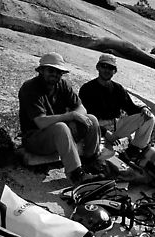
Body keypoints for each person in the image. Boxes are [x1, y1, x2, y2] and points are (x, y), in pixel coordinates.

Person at [18, 52, 104, 185]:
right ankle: (76, 174)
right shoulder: (30, 88)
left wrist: (76, 115)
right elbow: (40, 122)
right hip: (35, 138)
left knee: (91, 119)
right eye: (51, 70)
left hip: (59, 135)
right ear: (41, 70)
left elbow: (82, 109)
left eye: (58, 72)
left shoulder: (62, 85)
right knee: (61, 127)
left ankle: (90, 160)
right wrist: (70, 116)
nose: (55, 74)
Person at [79, 53, 155, 162]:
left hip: (117, 125)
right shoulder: (87, 89)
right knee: (103, 154)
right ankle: (109, 151)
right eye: (104, 66)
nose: (107, 70)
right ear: (98, 67)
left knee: (149, 118)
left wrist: (143, 108)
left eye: (111, 68)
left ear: (115, 71)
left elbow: (130, 108)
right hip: (97, 127)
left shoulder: (118, 88)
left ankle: (134, 150)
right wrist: (105, 133)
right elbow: (87, 118)